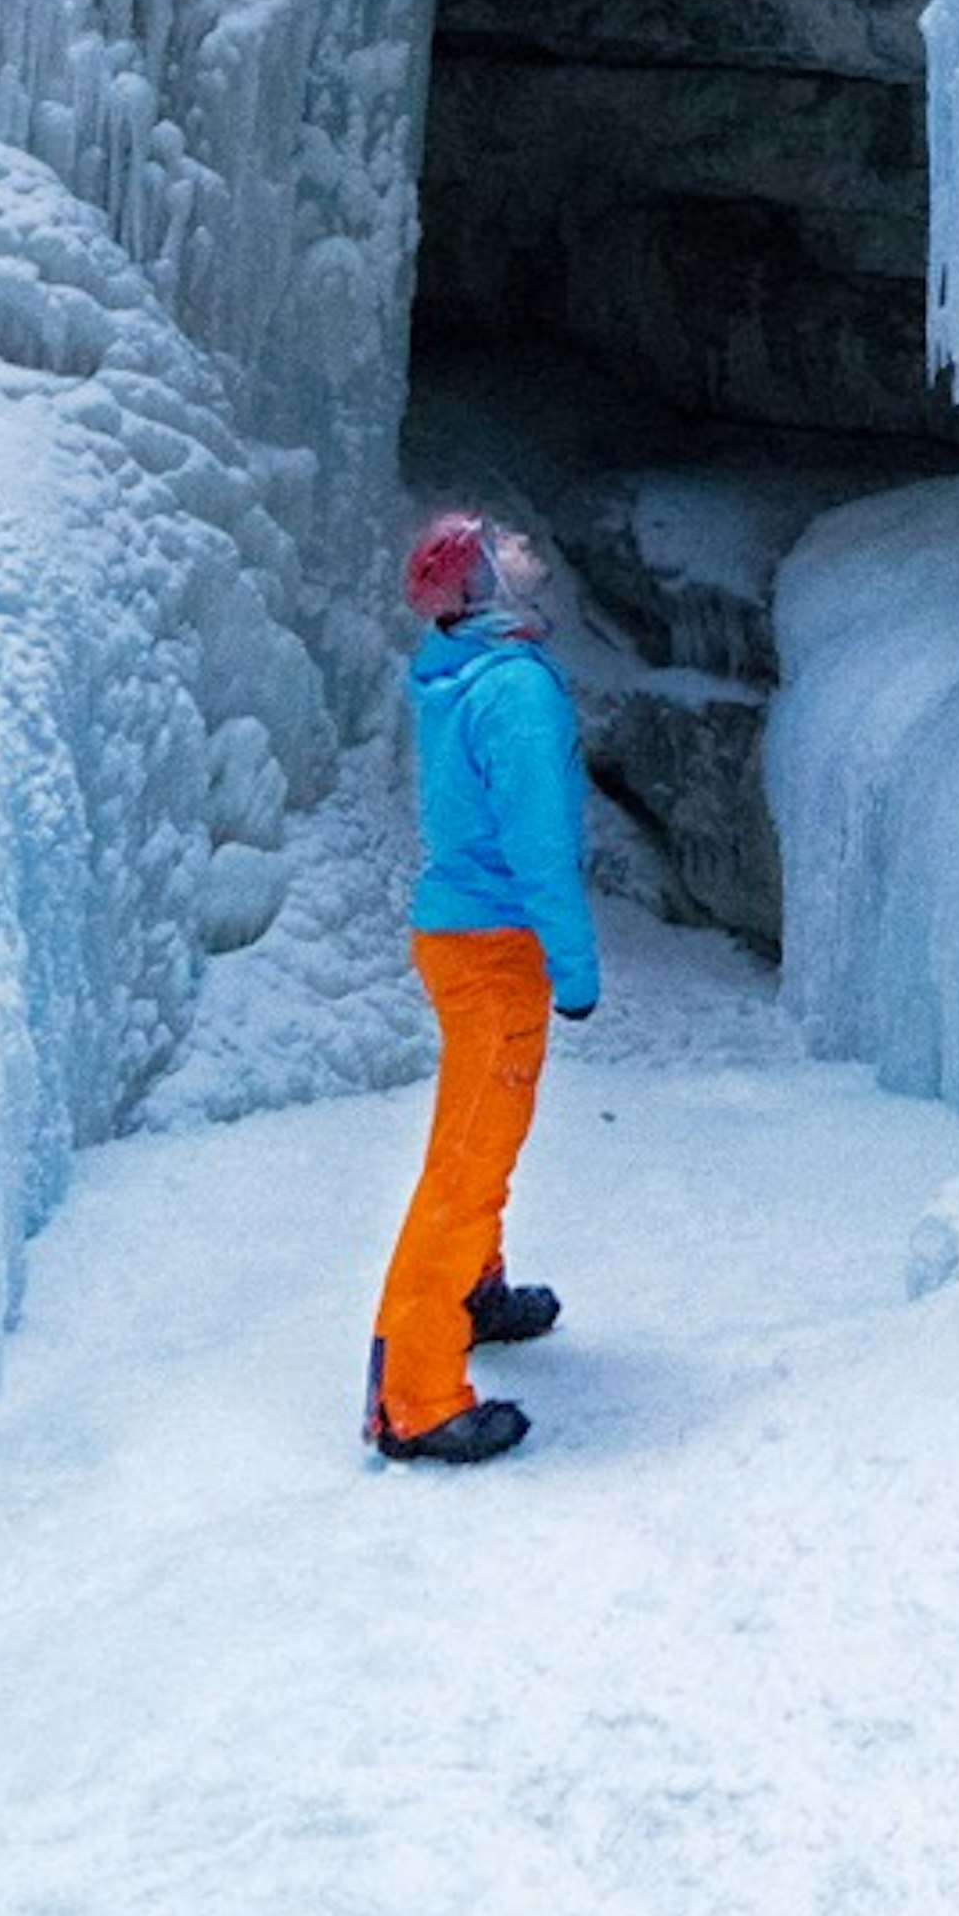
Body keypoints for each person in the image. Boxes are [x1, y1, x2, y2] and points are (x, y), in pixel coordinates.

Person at [364, 508, 602, 1466]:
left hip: (469, 936)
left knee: (485, 1132)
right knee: (465, 1159)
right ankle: (416, 1399)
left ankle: (473, 1288)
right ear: (481, 592)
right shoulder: (512, 694)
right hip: (494, 945)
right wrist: (575, 965)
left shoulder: (465, 669)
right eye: (498, 545)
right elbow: (539, 844)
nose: (522, 546)